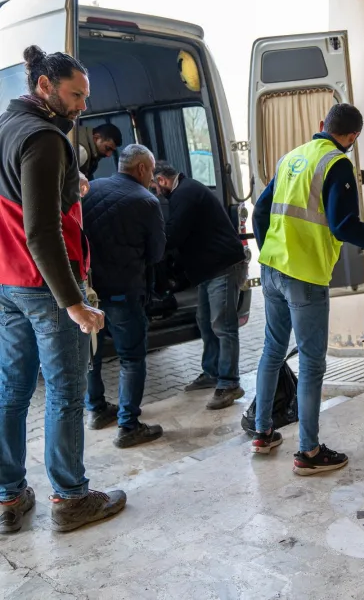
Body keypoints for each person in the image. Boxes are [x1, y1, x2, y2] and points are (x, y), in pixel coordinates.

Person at [250, 103, 364, 473]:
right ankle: (309, 453)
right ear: (352, 137)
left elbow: (260, 211)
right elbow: (344, 226)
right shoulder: (337, 164)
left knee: (272, 350)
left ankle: (263, 433)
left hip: (271, 268)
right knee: (312, 363)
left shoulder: (291, 158)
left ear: (321, 126)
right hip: (305, 275)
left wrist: (269, 250)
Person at [0, 45, 126, 534]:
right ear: (45, 87)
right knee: (65, 393)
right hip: (47, 286)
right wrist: (73, 302)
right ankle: (71, 497)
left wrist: (67, 181)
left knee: (11, 392)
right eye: (76, 95)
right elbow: (42, 231)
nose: (83, 106)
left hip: (8, 281)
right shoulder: (46, 139)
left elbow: (18, 193)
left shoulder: (9, 127)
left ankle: (8, 498)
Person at [82, 144, 166, 447]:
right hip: (123, 294)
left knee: (91, 355)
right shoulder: (146, 201)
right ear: (142, 169)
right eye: (152, 170)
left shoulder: (91, 189)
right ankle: (128, 427)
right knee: (131, 358)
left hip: (89, 293)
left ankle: (97, 410)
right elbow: (156, 253)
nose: (153, 176)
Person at [153, 162, 247, 410]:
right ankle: (212, 372)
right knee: (205, 321)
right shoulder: (185, 190)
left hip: (223, 267)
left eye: (154, 186)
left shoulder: (186, 194)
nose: (154, 192)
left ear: (161, 180)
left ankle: (229, 384)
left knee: (223, 326)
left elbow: (173, 235)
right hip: (209, 270)